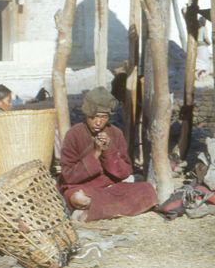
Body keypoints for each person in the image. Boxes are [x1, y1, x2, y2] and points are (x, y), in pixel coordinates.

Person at [58, 86, 158, 222]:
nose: (98, 122)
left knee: (147, 190)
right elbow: (68, 175)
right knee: (78, 199)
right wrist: (96, 152)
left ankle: (90, 213)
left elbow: (125, 173)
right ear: (87, 115)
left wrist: (108, 149)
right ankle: (103, 209)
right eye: (94, 117)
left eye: (104, 117)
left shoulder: (116, 133)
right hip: (83, 187)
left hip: (111, 187)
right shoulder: (74, 134)